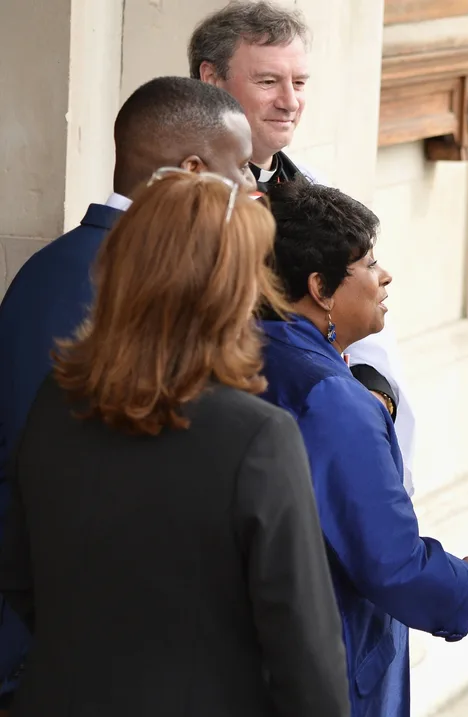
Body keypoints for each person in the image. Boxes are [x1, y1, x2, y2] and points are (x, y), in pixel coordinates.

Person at [0, 169, 350, 717]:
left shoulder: (55, 398)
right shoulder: (258, 437)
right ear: (230, 290)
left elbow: (19, 573)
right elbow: (305, 651)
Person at [0, 75, 258, 706]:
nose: (254, 188)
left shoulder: (65, 265)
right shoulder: (105, 283)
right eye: (242, 168)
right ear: (192, 170)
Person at [257, 179, 468, 717]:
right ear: (321, 288)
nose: (385, 276)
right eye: (369, 263)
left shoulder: (249, 350)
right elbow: (387, 561)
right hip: (326, 653)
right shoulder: (330, 398)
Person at [189, 1, 418, 496]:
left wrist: (376, 396)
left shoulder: (313, 185)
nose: (289, 101)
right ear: (211, 80)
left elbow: (367, 331)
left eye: (300, 83)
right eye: (268, 82)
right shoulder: (175, 205)